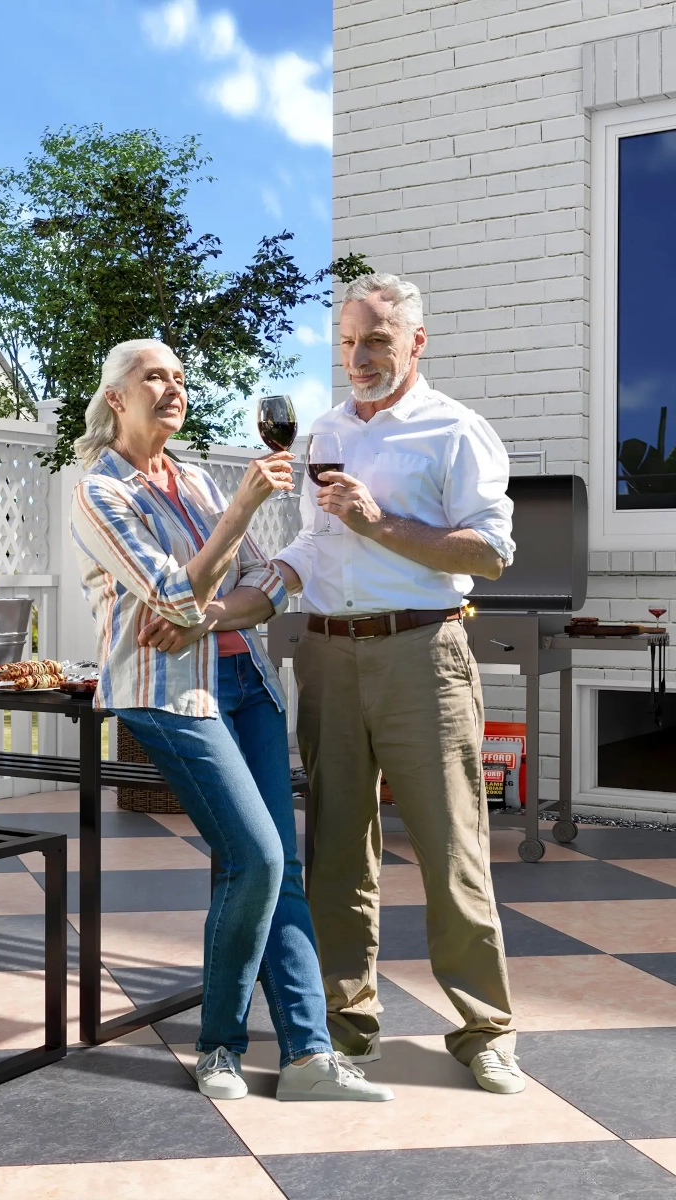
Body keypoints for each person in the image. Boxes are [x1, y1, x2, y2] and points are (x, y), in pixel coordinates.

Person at [69, 337, 393, 1104]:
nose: (174, 387)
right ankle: (218, 1047)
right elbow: (170, 597)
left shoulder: (192, 480)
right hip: (168, 692)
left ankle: (308, 1057)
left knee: (277, 870)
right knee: (257, 857)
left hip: (246, 678)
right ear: (117, 396)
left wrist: (206, 609)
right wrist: (242, 510)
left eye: (181, 377)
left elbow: (261, 585)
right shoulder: (101, 492)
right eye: (156, 377)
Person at [274, 273, 524, 1095]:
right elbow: (315, 547)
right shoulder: (325, 430)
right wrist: (262, 578)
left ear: (417, 342)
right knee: (336, 846)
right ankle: (346, 1022)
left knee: (453, 849)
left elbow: (489, 554)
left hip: (423, 653)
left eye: (377, 338)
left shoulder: (457, 430)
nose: (358, 356)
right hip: (326, 653)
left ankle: (485, 1030)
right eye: (347, 340)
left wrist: (377, 523)